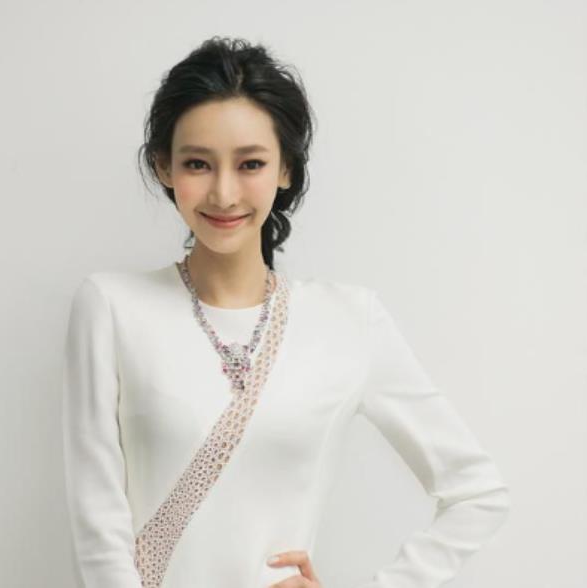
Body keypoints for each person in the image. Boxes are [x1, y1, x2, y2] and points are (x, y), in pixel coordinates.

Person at [61, 36, 511, 588]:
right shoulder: (110, 308)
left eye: (250, 163)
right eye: (198, 163)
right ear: (164, 167)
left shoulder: (350, 320)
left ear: (286, 169)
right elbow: (99, 529)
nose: (224, 193)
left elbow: (477, 492)